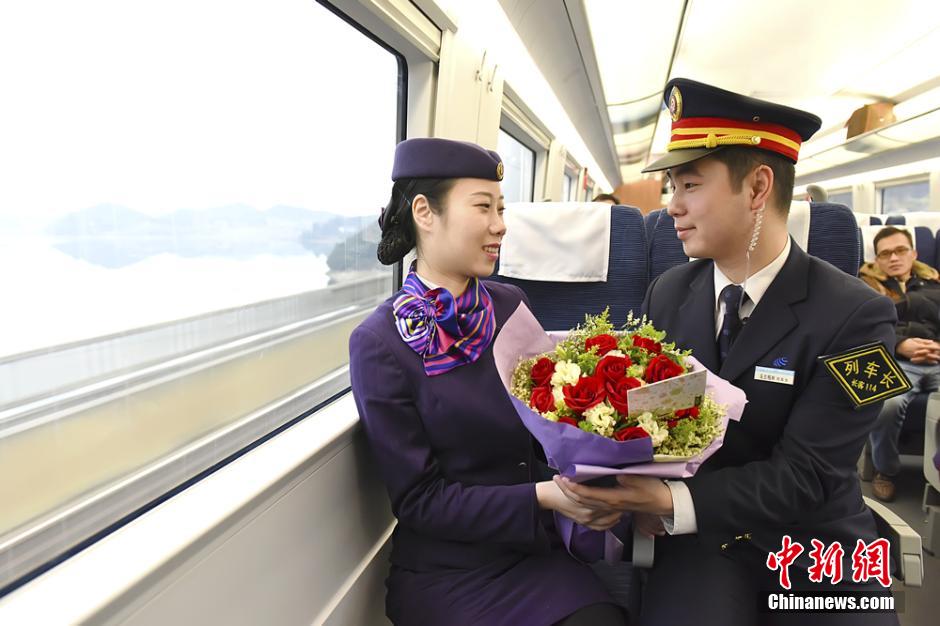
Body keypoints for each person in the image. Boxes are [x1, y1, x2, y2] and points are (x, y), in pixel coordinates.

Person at [552, 79, 900, 625]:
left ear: (758, 187)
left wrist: (668, 502)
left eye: (689, 185)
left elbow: (810, 475)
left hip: (812, 544)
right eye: (672, 186)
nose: (672, 206)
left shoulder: (862, 316)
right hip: (701, 543)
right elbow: (654, 414)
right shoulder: (667, 293)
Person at [348, 137, 628, 626]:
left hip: (532, 549)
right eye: (483, 207)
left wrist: (605, 480)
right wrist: (545, 497)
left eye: (501, 208)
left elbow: (549, 425)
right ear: (424, 212)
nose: (500, 224)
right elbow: (419, 501)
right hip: (448, 568)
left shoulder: (509, 304)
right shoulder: (378, 343)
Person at [860, 226, 940, 501]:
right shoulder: (865, 286)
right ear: (877, 259)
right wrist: (899, 344)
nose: (894, 258)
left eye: (900, 250)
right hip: (892, 359)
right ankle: (885, 470)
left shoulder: (935, 283)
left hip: (938, 358)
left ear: (913, 254)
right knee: (886, 404)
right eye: (885, 254)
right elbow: (863, 328)